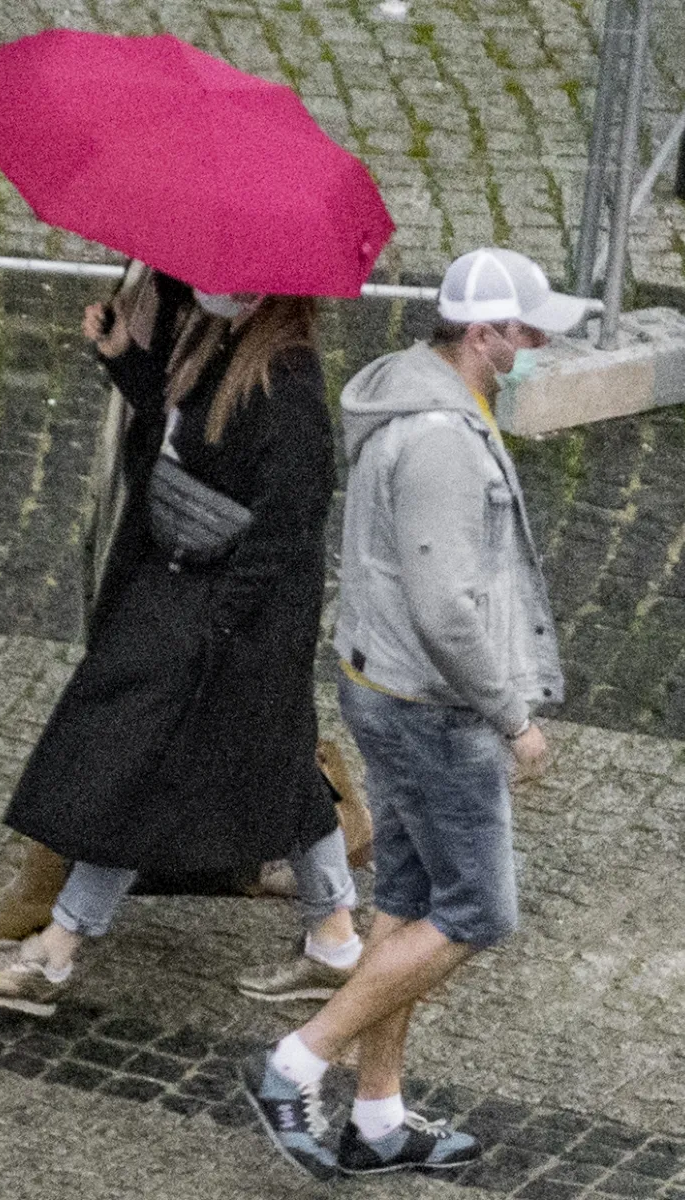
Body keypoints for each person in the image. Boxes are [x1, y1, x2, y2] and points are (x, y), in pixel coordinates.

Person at [241, 248, 592, 1181]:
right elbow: (446, 609)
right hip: (432, 711)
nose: (540, 343)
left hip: (385, 690)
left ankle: (380, 1116)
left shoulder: (414, 394)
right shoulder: (438, 435)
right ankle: (294, 1062)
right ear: (482, 335)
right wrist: (514, 718)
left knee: (404, 901)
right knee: (478, 912)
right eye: (527, 330)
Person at [0, 266, 364, 1013]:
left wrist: (223, 628)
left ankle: (54, 952)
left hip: (225, 612)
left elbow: (284, 528)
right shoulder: (226, 343)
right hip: (196, 593)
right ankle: (334, 936)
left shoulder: (287, 388)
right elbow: (187, 439)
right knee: (278, 760)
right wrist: (123, 361)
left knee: (136, 766)